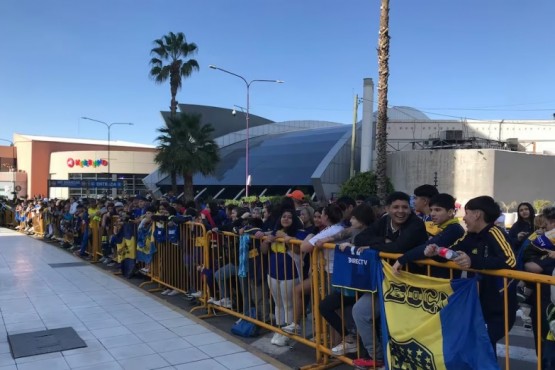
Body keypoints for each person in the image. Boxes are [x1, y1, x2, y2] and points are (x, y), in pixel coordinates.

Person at [420, 196, 517, 354]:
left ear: (477, 214)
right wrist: (436, 252)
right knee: (480, 346)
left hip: (500, 305)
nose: (463, 218)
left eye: (467, 213)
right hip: (479, 302)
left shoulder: (495, 232)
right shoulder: (470, 236)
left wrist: (474, 261)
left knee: (482, 343)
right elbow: (454, 252)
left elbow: (510, 261)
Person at [347, 191, 428, 369]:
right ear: (387, 209)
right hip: (385, 280)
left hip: (412, 284)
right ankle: (376, 357)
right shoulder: (384, 220)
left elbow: (400, 247)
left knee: (399, 327)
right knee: (360, 312)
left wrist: (377, 245)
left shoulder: (416, 224)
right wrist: (383, 241)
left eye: (405, 207)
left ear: (411, 209)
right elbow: (360, 238)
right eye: (396, 207)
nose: (401, 211)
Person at [392, 193, 465, 278]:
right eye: (431, 210)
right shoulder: (443, 228)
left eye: (437, 210)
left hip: (446, 282)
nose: (432, 214)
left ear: (450, 212)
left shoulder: (454, 229)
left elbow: (428, 246)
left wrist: (402, 259)